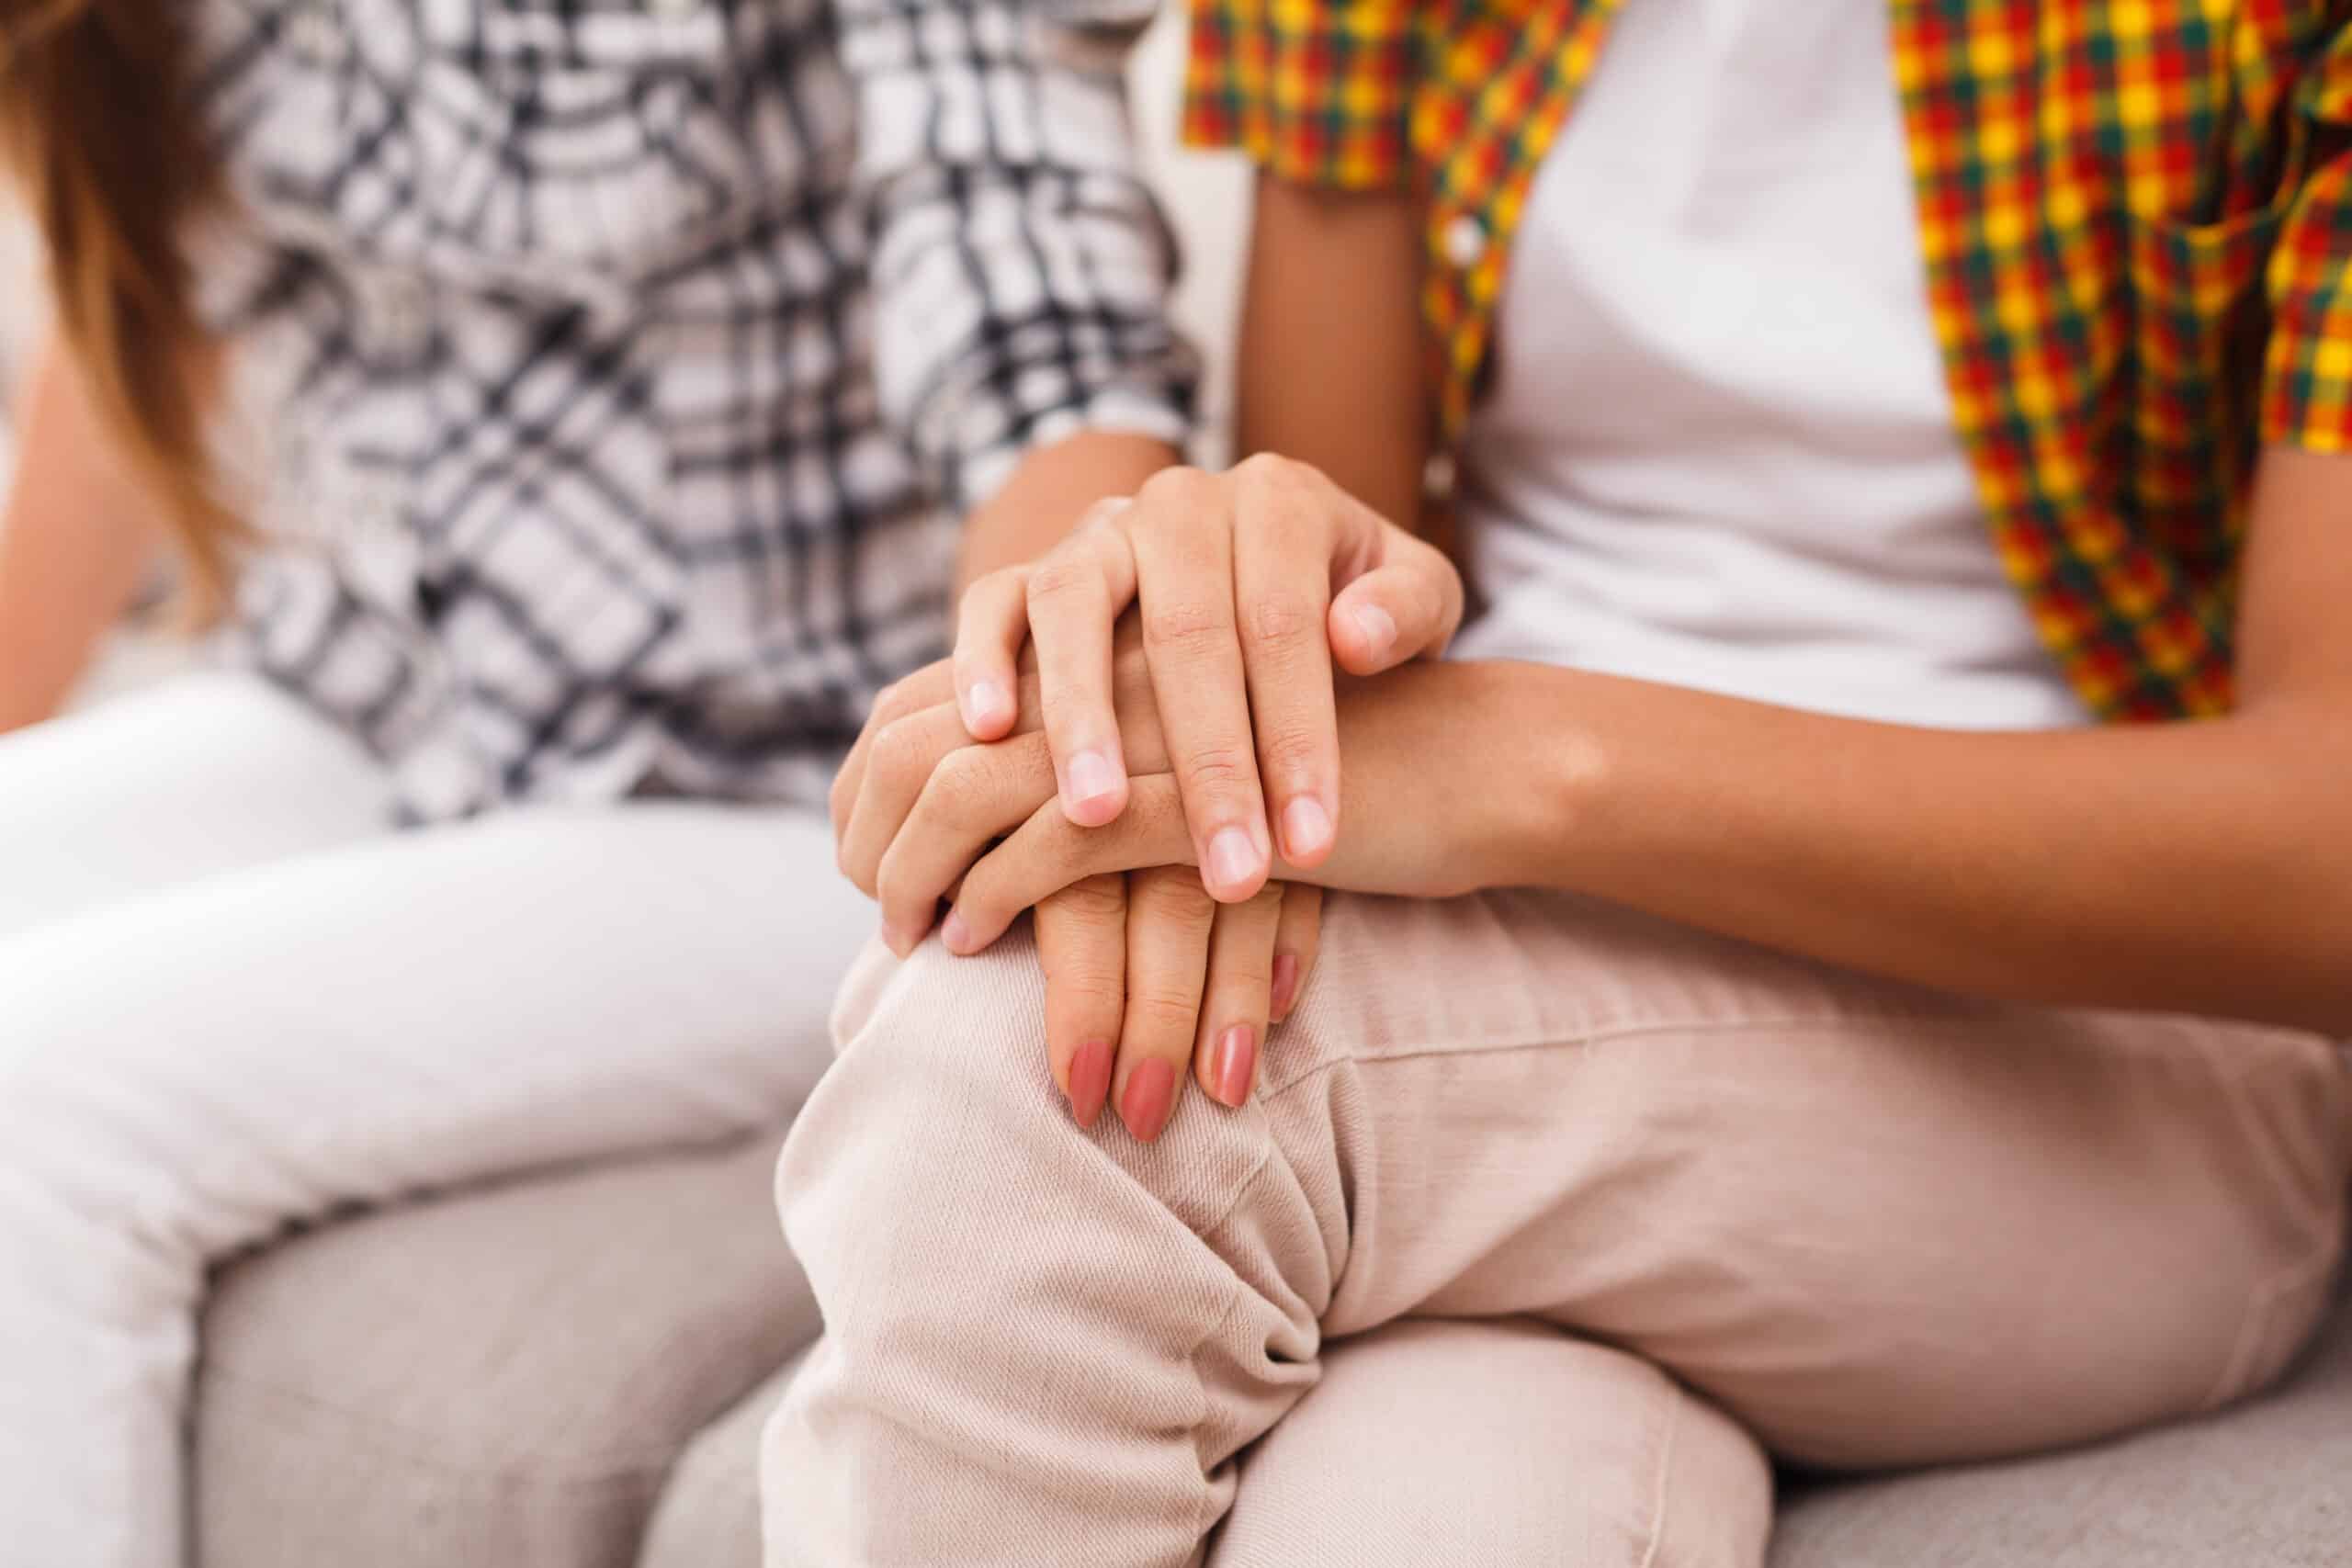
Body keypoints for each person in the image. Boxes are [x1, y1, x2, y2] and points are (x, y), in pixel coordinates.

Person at [778, 0, 2352, 1562]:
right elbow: (1343, 563)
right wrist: (1234, 625)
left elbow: (2322, 859)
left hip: (2103, 1046)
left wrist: (1523, 761)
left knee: (1047, 1082)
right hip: (1531, 1020)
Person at [0, 2, 1464, 1562]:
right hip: (382, 696)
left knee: (36, 1103)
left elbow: (1039, 343)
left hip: (782, 787)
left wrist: (1075, 762)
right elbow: (151, 283)